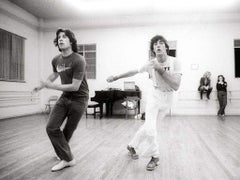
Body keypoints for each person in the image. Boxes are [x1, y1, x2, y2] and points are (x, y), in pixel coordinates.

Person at [107, 35, 182, 171]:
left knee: (150, 127)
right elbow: (133, 71)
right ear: (153, 49)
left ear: (166, 47)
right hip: (155, 95)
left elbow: (176, 85)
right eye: (155, 44)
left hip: (169, 98)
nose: (158, 46)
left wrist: (159, 69)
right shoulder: (149, 63)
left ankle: (132, 146)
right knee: (150, 128)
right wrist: (116, 77)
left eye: (161, 43)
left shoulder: (175, 62)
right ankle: (155, 156)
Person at [33, 28, 89, 172]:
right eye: (59, 37)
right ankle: (69, 159)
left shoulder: (78, 59)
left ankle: (64, 156)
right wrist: (41, 86)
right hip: (65, 97)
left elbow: (75, 86)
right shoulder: (56, 59)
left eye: (64, 37)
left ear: (71, 41)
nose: (60, 39)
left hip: (79, 99)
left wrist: (52, 87)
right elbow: (54, 75)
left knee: (68, 131)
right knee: (51, 127)